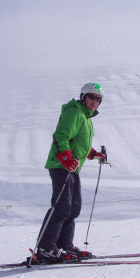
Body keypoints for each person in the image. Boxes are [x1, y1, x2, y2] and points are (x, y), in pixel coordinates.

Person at [34, 83, 106, 263]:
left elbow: (78, 143)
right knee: (62, 207)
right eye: (92, 97)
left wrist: (93, 154)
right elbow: (61, 136)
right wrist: (65, 157)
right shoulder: (74, 112)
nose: (95, 102)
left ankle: (64, 245)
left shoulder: (85, 117)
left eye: (98, 99)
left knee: (73, 209)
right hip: (61, 166)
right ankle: (46, 247)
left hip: (72, 168)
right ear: (83, 97)